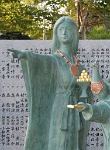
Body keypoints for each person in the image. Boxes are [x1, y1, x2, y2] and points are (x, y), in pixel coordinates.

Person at [8, 16, 91, 150]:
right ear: (56, 33)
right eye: (61, 29)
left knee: (74, 141)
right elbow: (40, 60)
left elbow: (88, 91)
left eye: (68, 29)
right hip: (61, 108)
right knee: (59, 141)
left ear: (75, 33)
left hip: (76, 111)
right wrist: (25, 55)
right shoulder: (54, 60)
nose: (64, 33)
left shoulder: (79, 66)